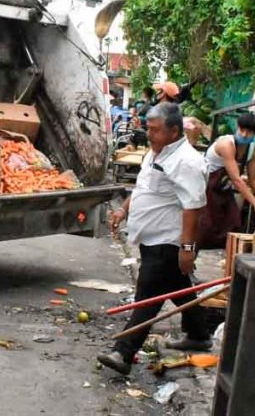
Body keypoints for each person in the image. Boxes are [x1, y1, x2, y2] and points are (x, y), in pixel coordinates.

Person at [98, 103, 211, 375]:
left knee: (148, 295)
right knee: (177, 286)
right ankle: (199, 334)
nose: (149, 134)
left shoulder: (187, 161)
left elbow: (193, 207)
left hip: (169, 240)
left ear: (174, 131)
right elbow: (143, 186)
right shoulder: (156, 151)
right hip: (150, 237)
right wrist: (125, 209)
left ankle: (124, 352)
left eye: (155, 130)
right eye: (148, 129)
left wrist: (187, 249)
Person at [197, 113, 255, 249]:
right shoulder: (226, 144)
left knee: (233, 223)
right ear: (237, 128)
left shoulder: (252, 149)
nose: (244, 134)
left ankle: (227, 259)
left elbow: (254, 180)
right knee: (203, 227)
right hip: (204, 187)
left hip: (222, 189)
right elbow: (236, 180)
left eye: (249, 132)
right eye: (242, 129)